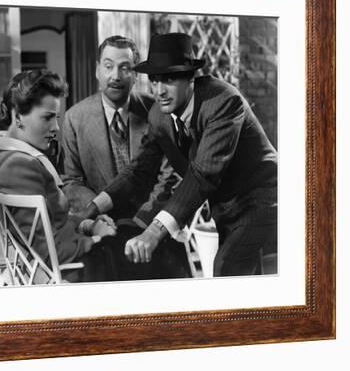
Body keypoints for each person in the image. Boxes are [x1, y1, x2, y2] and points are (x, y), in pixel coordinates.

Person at [81, 33, 278, 277]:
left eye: (169, 79)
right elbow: (139, 171)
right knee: (245, 280)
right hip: (225, 208)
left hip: (262, 199)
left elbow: (203, 174)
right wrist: (92, 207)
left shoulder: (224, 101)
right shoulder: (159, 115)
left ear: (191, 77)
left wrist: (154, 231)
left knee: (226, 268)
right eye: (154, 81)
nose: (159, 90)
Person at [62, 35, 190, 279]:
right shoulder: (74, 118)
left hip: (150, 220)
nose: (116, 76)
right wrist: (98, 217)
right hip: (100, 225)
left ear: (136, 74)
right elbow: (71, 181)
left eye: (125, 67)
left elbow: (169, 174)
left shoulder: (158, 109)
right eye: (108, 66)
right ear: (97, 70)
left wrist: (145, 223)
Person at [0, 69, 118, 282]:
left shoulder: (8, 157)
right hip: (77, 271)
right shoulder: (17, 167)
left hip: (75, 255)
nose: (56, 127)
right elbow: (49, 254)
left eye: (56, 118)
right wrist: (97, 239)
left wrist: (87, 224)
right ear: (18, 116)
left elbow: (52, 223)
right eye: (47, 118)